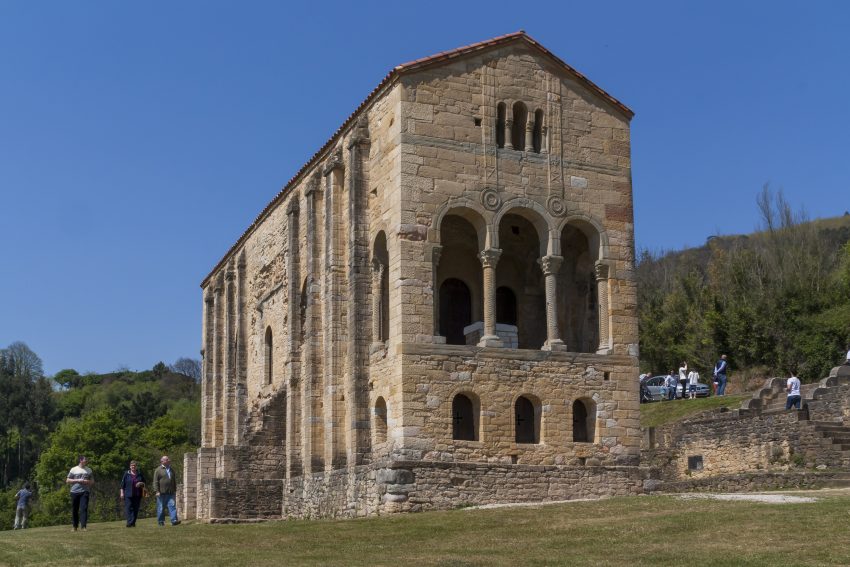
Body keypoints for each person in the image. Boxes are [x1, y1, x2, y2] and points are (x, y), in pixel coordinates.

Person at [66, 455, 94, 531]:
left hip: (85, 492)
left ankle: (83, 526)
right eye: (85, 460)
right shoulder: (74, 469)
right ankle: (75, 526)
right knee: (75, 509)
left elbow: (92, 481)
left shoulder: (89, 470)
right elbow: (68, 480)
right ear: (81, 460)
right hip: (74, 492)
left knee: (84, 508)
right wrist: (78, 480)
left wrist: (87, 481)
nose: (86, 461)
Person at [153, 455, 180, 526]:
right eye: (167, 459)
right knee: (161, 508)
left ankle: (174, 520)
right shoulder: (158, 470)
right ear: (163, 461)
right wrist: (157, 491)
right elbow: (155, 481)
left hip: (171, 493)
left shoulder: (171, 470)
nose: (169, 460)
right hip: (161, 493)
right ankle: (161, 521)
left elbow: (173, 480)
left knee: (172, 506)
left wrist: (175, 490)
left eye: (168, 459)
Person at [120, 460, 146, 527]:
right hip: (128, 494)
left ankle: (133, 522)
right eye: (132, 465)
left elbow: (144, 483)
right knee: (128, 508)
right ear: (130, 466)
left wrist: (141, 483)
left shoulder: (140, 474)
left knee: (135, 509)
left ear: (136, 466)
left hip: (137, 494)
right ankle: (129, 523)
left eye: (134, 465)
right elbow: (122, 485)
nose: (133, 467)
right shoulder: (126, 474)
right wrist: (122, 493)